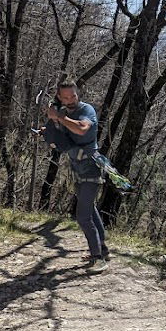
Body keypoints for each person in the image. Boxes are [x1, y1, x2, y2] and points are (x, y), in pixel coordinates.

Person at [41, 80, 110, 267]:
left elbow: (81, 128)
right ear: (59, 97)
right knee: (91, 210)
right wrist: (49, 129)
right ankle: (102, 249)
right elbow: (64, 136)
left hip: (91, 168)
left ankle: (97, 258)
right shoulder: (63, 112)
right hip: (76, 168)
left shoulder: (87, 110)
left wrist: (60, 117)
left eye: (73, 96)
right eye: (65, 97)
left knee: (83, 216)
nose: (70, 100)